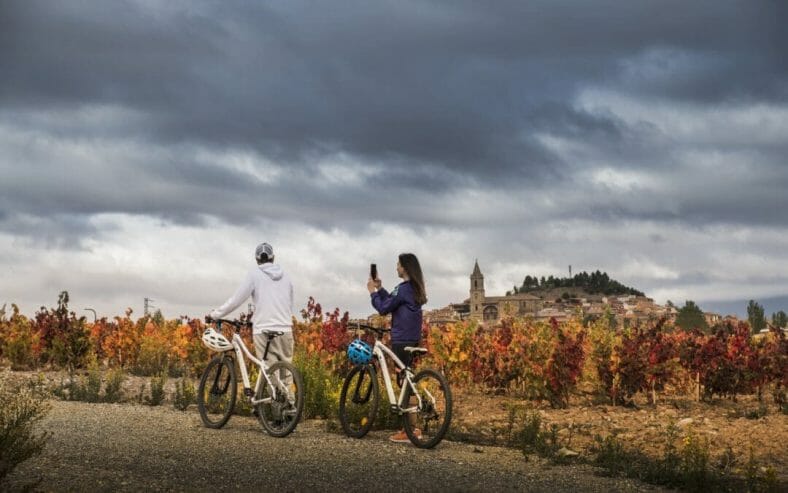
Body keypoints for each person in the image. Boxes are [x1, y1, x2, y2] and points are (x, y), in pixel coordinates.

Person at [367, 252, 427, 443]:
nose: (396, 267)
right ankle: (411, 429)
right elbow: (393, 301)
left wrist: (372, 292)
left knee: (404, 384)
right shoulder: (413, 288)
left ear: (406, 268)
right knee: (407, 382)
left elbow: (384, 308)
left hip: (401, 339)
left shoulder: (403, 289)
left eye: (398, 265)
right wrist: (381, 288)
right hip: (413, 338)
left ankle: (411, 430)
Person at [209, 242, 295, 374]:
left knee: (270, 374)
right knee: (286, 376)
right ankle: (289, 395)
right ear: (273, 258)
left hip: (263, 330)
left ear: (257, 259)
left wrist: (215, 314)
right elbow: (289, 303)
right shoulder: (287, 276)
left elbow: (236, 300)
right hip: (285, 329)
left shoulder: (254, 275)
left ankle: (274, 394)